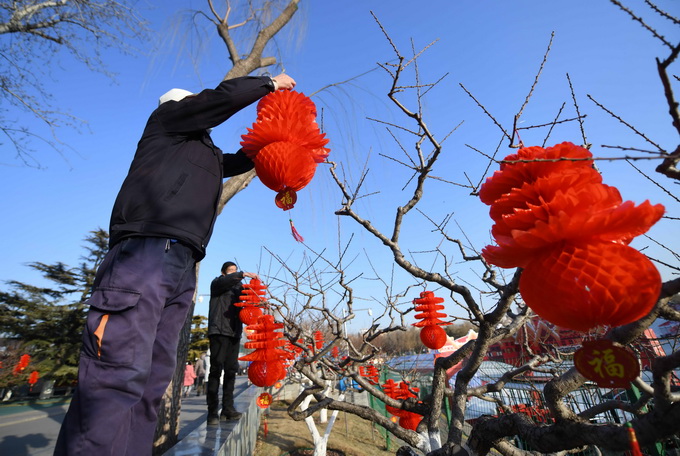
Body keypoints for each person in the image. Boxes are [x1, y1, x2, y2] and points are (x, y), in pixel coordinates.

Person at [54, 73, 296, 456]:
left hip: (182, 263)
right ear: (178, 107)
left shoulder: (207, 153)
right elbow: (215, 103)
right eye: (193, 106)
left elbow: (243, 158)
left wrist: (281, 140)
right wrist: (267, 83)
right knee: (116, 375)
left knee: (151, 383)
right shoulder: (165, 123)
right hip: (144, 254)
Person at [207, 261, 258, 424]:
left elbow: (249, 303)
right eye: (231, 271)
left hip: (234, 333)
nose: (234, 273)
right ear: (223, 273)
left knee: (231, 371)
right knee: (216, 370)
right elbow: (225, 281)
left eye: (235, 271)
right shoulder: (217, 283)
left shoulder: (238, 289)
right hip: (218, 331)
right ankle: (212, 412)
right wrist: (241, 274)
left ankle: (228, 409)